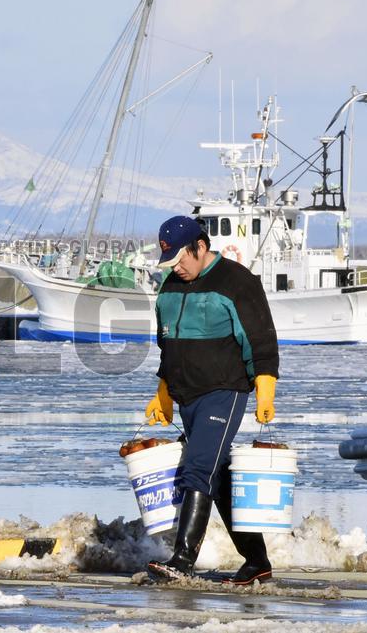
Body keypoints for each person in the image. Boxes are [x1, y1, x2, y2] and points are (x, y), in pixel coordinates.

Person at [144, 215, 279, 585]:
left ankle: (183, 559)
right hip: (186, 396)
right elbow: (167, 344)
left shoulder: (237, 282)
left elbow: (261, 342)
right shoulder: (170, 288)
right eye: (170, 263)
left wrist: (264, 388)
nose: (177, 268)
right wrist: (163, 393)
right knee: (216, 479)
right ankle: (257, 561)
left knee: (199, 468)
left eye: (181, 260)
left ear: (200, 247)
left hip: (224, 391)